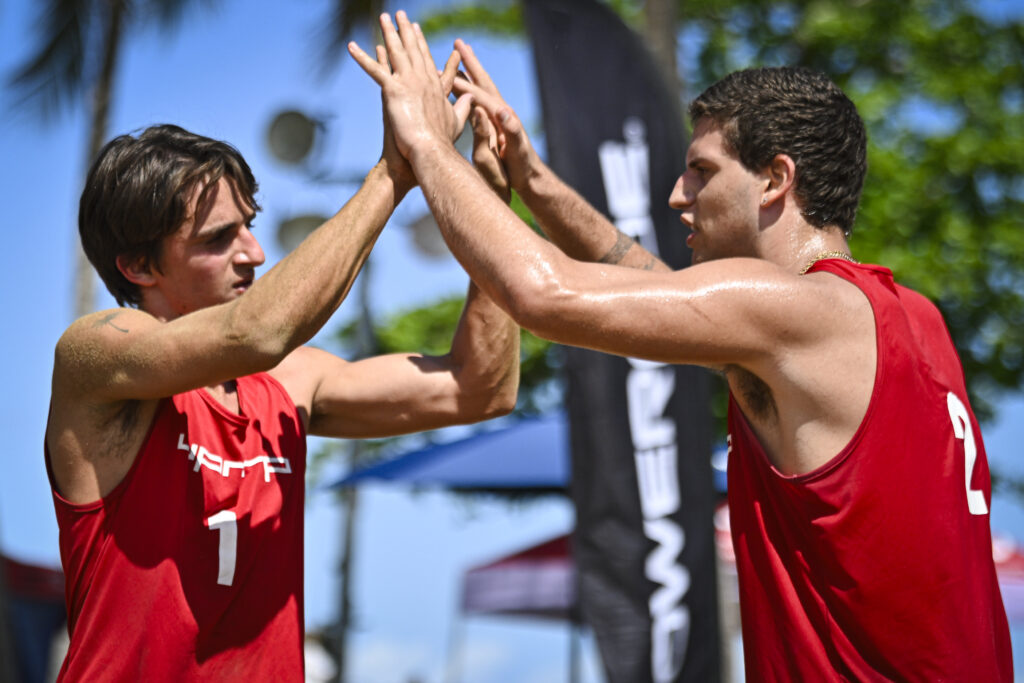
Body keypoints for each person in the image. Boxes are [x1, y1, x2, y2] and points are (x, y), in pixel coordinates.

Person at [349, 12, 1013, 680]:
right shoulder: (905, 318)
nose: (676, 195)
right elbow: (661, 290)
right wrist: (533, 179)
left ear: (776, 179)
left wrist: (425, 142)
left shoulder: (794, 312)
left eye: (701, 171)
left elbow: (543, 295)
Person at [44, 53, 520, 681]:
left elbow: (480, 387)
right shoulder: (97, 354)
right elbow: (259, 331)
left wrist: (492, 199)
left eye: (249, 226)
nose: (255, 253)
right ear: (138, 267)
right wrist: (393, 174)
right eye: (218, 239)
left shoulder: (290, 382)